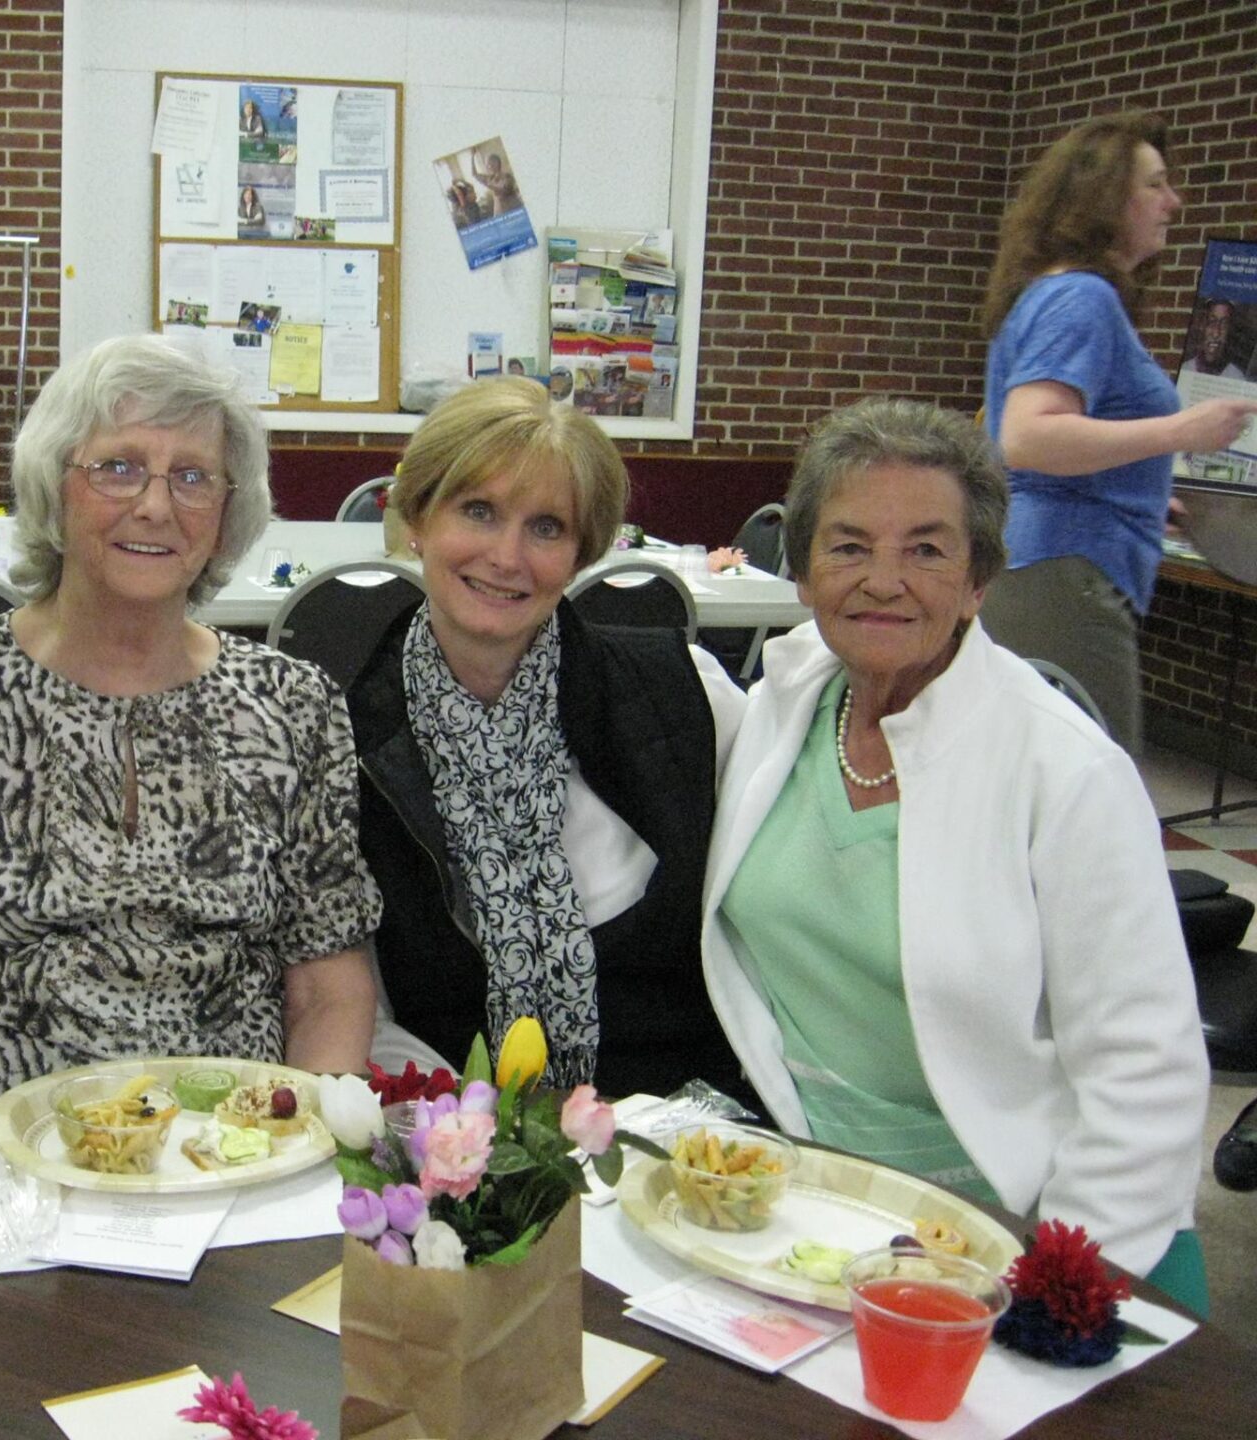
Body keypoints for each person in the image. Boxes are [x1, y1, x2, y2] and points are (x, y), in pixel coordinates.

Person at [702, 397, 1209, 1308]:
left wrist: (1055, 1288)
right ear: (805, 571)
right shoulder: (789, 698)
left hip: (1005, 1219)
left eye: (927, 550)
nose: (883, 581)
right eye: (849, 546)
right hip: (807, 1202)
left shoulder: (1064, 769)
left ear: (980, 581)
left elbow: (1146, 1071)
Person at [0, 334, 382, 1117]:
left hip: (225, 1152)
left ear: (227, 512)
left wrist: (287, 1146)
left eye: (192, 476)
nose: (155, 505)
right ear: (55, 486)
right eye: (117, 467)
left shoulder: (295, 708)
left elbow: (330, 993)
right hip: (5, 1151)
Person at [347, 378, 748, 1098]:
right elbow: (365, 1017)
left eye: (546, 528)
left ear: (581, 554)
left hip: (688, 1143)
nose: (507, 557)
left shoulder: (687, 696)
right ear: (416, 519)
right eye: (478, 511)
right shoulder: (349, 744)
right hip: (459, 1151)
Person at [977, 111, 1257, 753]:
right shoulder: (1082, 298)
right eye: (1155, 185)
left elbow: (1025, 442)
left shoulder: (1049, 293)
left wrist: (1136, 490)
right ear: (1105, 199)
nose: (1174, 203)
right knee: (1098, 801)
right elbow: (1030, 437)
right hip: (1064, 573)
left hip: (1041, 562)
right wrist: (1180, 429)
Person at [1179, 298, 1246, 381]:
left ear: (1230, 330)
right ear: (1202, 326)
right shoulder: (1186, 370)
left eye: (1224, 324)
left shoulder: (1237, 377)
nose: (1216, 333)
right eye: (1211, 322)